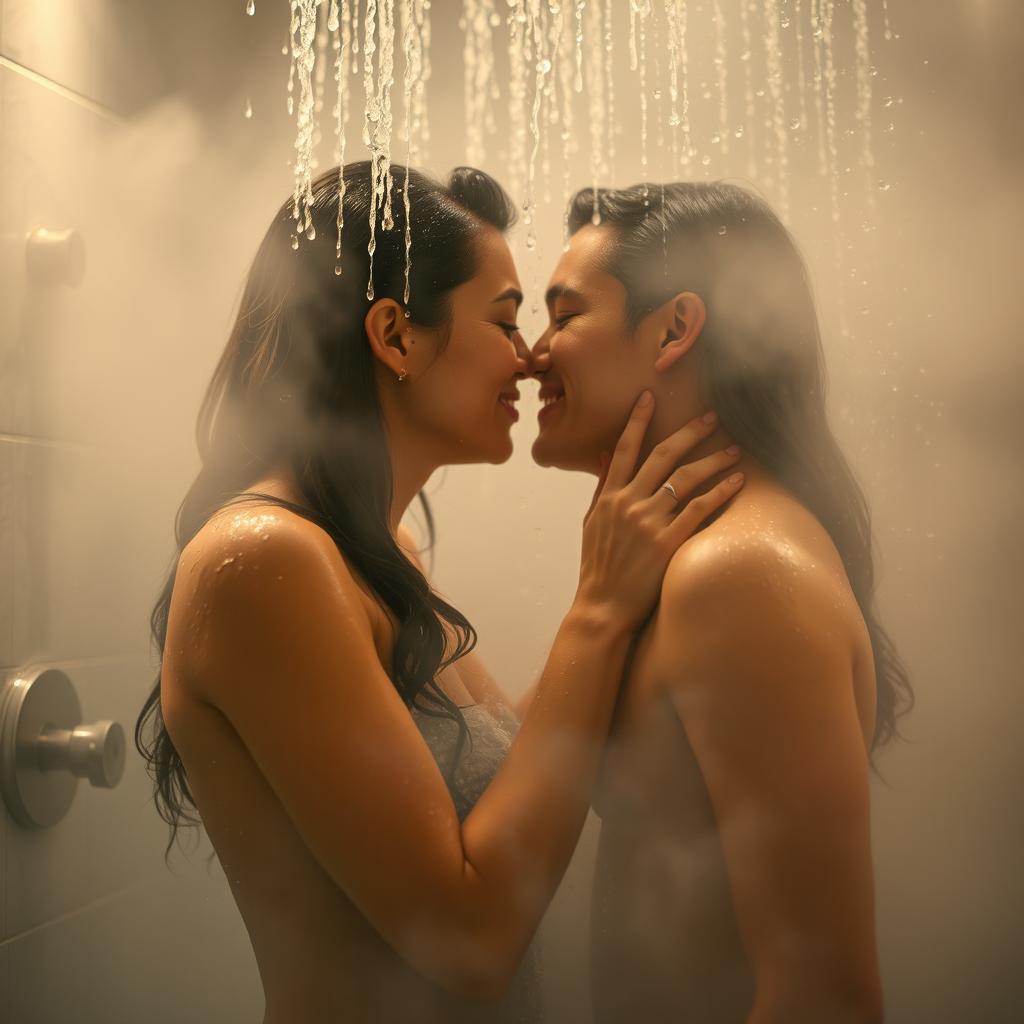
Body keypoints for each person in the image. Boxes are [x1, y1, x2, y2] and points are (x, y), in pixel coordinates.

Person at [134, 162, 746, 1024]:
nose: (530, 357)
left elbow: (516, 770)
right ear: (395, 336)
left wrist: (632, 581)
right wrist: (599, 610)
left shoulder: (381, 554)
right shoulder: (266, 559)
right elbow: (468, 941)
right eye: (505, 320)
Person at [528, 181, 913, 1024]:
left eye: (563, 316)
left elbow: (827, 995)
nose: (534, 352)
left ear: (674, 328)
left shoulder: (735, 574)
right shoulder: (676, 560)